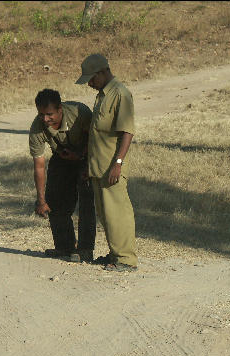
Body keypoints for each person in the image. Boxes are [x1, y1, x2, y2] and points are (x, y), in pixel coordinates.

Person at [75, 54, 138, 272]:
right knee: (106, 213)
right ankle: (115, 254)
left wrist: (118, 163)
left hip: (112, 167)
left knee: (118, 212)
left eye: (91, 79)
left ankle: (126, 259)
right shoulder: (103, 95)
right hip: (99, 166)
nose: (90, 84)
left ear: (102, 73)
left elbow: (127, 132)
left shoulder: (120, 94)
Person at [29, 89, 96, 263]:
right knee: (54, 199)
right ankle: (64, 247)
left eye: (49, 114)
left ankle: (85, 250)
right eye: (41, 114)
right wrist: (41, 199)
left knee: (86, 203)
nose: (45, 119)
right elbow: (39, 165)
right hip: (62, 158)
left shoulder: (80, 112)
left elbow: (95, 139)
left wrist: (83, 159)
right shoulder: (37, 126)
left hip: (87, 156)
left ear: (60, 109)